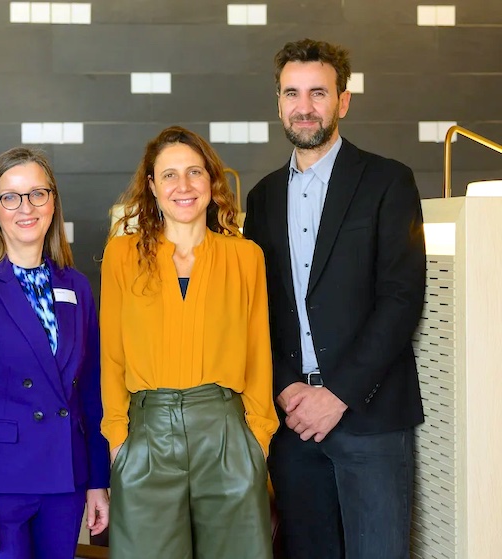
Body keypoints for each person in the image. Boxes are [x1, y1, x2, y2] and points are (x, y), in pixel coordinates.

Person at [243, 39, 427, 559]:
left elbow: (400, 299)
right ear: (278, 102)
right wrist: (285, 389)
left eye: (319, 92)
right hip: (293, 424)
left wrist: (338, 393)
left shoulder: (388, 182)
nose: (305, 106)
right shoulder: (260, 199)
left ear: (343, 101)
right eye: (293, 93)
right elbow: (260, 310)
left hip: (369, 418)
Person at [100, 126, 278, 559]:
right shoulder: (121, 255)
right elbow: (111, 354)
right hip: (146, 435)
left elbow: (258, 351)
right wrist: (118, 437)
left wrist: (257, 438)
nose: (183, 186)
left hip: (226, 432)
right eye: (169, 175)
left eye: (194, 172)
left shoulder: (245, 257)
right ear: (152, 187)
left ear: (212, 182)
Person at [0, 147, 110, 558]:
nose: (24, 207)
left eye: (37, 194)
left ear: (52, 202)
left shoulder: (77, 286)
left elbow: (91, 392)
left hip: (64, 478)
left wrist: (97, 479)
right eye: (10, 197)